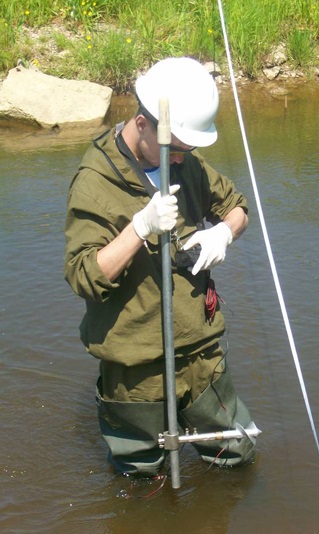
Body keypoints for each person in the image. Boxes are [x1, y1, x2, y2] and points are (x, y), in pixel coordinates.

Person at [64, 57, 256, 476]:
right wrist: (139, 227)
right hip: (135, 363)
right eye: (180, 149)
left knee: (236, 452)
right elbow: (83, 275)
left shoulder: (184, 163)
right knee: (139, 474)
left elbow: (237, 206)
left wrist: (223, 232)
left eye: (190, 150)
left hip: (200, 347)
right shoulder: (95, 183)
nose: (183, 159)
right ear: (143, 123)